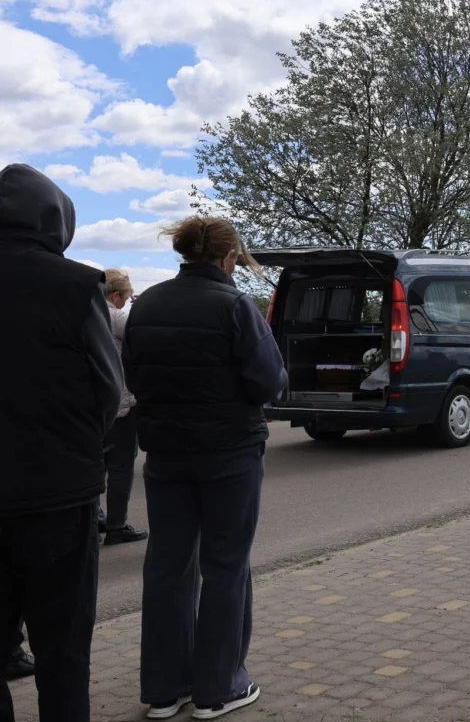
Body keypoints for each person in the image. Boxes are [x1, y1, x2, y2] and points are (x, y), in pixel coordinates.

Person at [124, 217, 287, 720]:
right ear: (229, 258)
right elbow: (268, 381)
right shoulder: (236, 306)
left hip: (165, 455)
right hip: (229, 453)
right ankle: (219, 688)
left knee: (168, 566)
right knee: (225, 567)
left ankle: (164, 690)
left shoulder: (146, 304)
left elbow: (133, 373)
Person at [0, 164, 123, 722]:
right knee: (63, 651)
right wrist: (84, 447)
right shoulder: (75, 285)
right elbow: (108, 388)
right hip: (59, 492)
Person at [101, 269, 150, 546]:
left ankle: (95, 518)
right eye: (126, 297)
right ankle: (117, 525)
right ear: (117, 295)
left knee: (98, 464)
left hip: (94, 406)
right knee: (121, 465)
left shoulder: (88, 313)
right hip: (121, 404)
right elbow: (140, 347)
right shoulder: (118, 316)